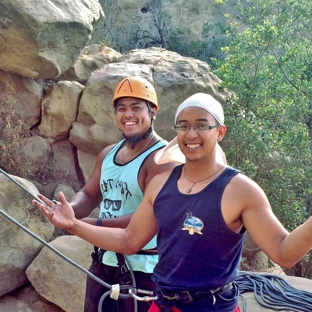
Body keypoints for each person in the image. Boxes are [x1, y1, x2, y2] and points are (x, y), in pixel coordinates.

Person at [32, 92, 312, 312]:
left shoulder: (240, 190)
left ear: (220, 132)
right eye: (184, 126)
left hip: (211, 308)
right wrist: (73, 225)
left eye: (202, 126)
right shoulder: (161, 183)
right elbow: (130, 240)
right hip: (162, 302)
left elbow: (283, 252)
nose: (191, 134)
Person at [65, 76, 180, 312]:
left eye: (136, 107)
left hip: (146, 270)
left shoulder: (163, 160)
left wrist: (83, 224)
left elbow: (147, 221)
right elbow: (89, 194)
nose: (128, 114)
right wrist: (68, 210)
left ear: (153, 112)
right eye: (121, 108)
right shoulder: (108, 154)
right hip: (105, 261)